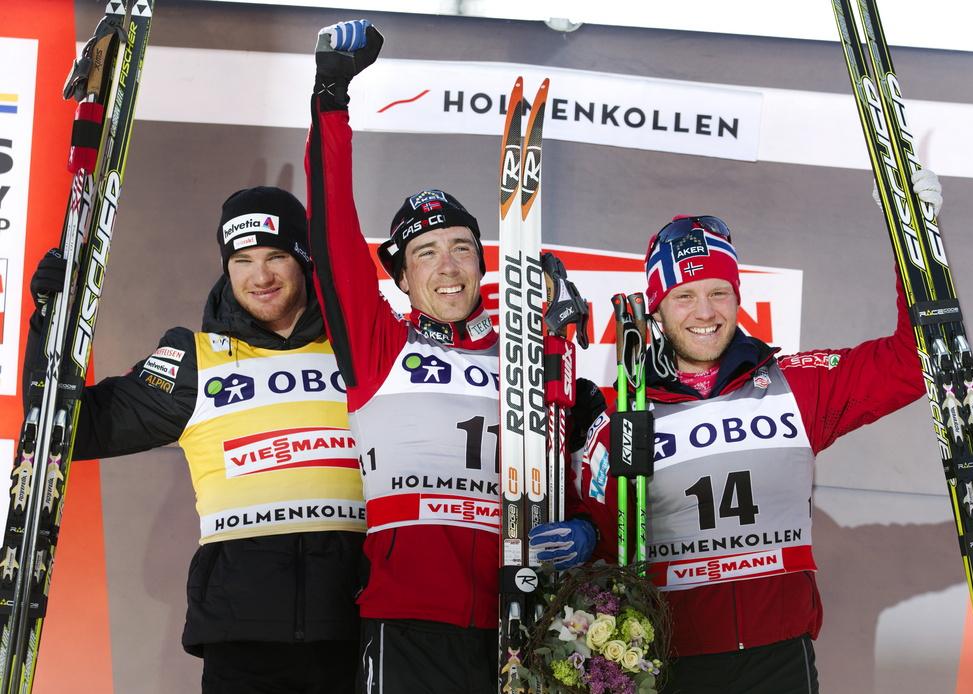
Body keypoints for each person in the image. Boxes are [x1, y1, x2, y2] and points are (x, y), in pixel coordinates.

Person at [305, 20, 596, 694]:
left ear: (483, 262)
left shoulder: (523, 346)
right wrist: (329, 101)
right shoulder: (380, 346)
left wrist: (586, 532)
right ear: (401, 279)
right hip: (409, 617)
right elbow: (331, 232)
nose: (448, 267)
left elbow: (575, 464)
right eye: (425, 253)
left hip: (521, 613)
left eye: (462, 247)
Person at [572, 207, 935, 693]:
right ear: (655, 308)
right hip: (669, 659)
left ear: (738, 297)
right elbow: (610, 533)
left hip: (778, 656)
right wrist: (581, 534)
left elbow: (913, 363)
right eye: (684, 297)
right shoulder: (622, 411)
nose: (705, 312)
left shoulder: (796, 385)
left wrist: (911, 233)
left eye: (719, 293)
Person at [26, 187, 365, 693]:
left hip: (357, 626)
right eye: (243, 259)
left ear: (304, 260)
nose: (261, 276)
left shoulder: (362, 349)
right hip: (243, 635)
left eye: (276, 256)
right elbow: (73, 426)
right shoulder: (194, 360)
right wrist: (50, 323)